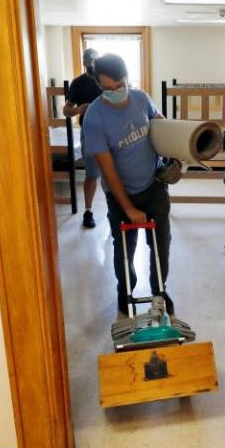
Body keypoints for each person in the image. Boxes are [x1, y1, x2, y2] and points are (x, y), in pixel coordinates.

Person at [81, 53, 175, 320]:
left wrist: (175, 151)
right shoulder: (94, 118)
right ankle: (126, 291)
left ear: (126, 78)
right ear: (99, 85)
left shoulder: (141, 98)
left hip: (154, 185)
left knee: (161, 244)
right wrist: (129, 207)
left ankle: (160, 291)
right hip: (120, 193)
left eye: (119, 85)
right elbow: (108, 171)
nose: (114, 92)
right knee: (124, 248)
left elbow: (161, 124)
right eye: (107, 88)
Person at [63, 48, 102, 228]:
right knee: (92, 173)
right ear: (83, 62)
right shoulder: (78, 83)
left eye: (93, 60)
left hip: (112, 130)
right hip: (90, 131)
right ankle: (88, 211)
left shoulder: (106, 79)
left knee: (118, 172)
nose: (90, 63)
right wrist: (79, 109)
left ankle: (118, 211)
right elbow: (66, 110)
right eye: (87, 61)